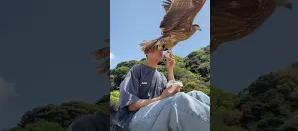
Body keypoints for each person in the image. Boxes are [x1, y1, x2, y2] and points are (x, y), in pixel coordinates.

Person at [66, 47, 210, 131]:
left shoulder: (160, 76)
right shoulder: (137, 70)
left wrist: (170, 69)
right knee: (179, 101)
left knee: (196, 94)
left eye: (162, 46)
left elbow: (171, 92)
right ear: (147, 51)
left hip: (156, 115)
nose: (161, 49)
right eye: (156, 46)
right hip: (132, 120)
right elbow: (132, 105)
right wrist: (161, 98)